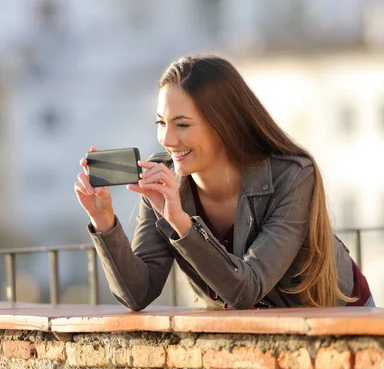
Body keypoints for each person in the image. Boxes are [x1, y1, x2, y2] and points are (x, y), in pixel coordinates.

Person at [74, 54, 375, 310]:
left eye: (182, 124)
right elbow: (138, 293)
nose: (167, 139)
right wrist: (104, 222)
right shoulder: (163, 182)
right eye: (161, 123)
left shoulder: (293, 177)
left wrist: (182, 224)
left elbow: (247, 288)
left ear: (223, 125)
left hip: (341, 316)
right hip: (256, 330)